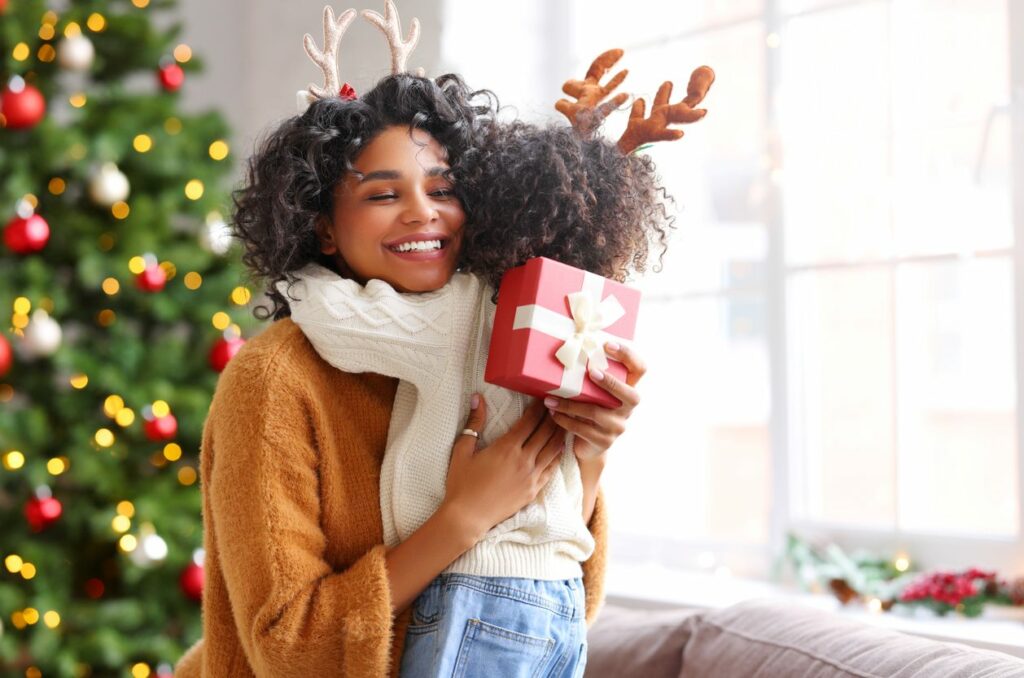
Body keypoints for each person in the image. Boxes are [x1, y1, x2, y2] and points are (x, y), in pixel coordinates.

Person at [174, 4, 708, 676]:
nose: (422, 212)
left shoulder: (497, 333)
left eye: (443, 188)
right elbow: (289, 648)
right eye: (380, 195)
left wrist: (589, 449)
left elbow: (560, 605)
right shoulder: (276, 379)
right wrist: (461, 519)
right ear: (324, 228)